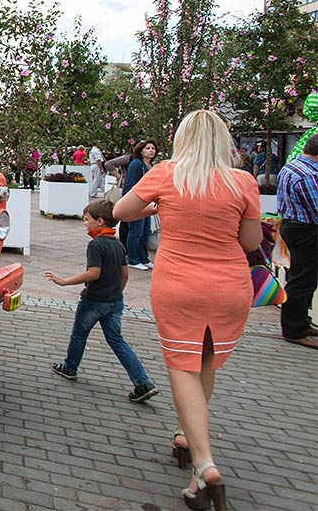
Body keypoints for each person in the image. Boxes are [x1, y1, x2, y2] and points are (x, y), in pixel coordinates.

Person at [115, 110, 261, 511]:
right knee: (207, 362)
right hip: (229, 286)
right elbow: (250, 242)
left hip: (179, 282)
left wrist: (157, 208)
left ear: (183, 139)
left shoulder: (167, 172)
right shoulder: (243, 181)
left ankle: (205, 463)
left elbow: (120, 213)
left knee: (182, 364)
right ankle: (184, 435)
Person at [46, 199, 158, 403]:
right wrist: (117, 293)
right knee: (117, 340)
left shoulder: (96, 245)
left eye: (86, 219)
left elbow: (94, 273)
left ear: (99, 221)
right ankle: (143, 382)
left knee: (79, 334)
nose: (84, 223)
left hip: (94, 300)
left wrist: (64, 282)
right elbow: (124, 275)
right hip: (114, 301)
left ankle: (70, 367)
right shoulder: (118, 244)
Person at [276, 133, 318, 349]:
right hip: (307, 229)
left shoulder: (291, 166)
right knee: (302, 281)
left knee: (301, 278)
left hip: (293, 225)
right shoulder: (308, 175)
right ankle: (294, 329)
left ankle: (301, 321)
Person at [122, 139, 157, 270]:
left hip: (147, 203)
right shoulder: (136, 164)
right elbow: (129, 185)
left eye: (153, 148)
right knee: (135, 231)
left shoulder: (151, 165)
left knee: (145, 231)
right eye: (148, 148)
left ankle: (143, 257)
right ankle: (133, 259)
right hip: (137, 202)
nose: (151, 150)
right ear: (141, 150)